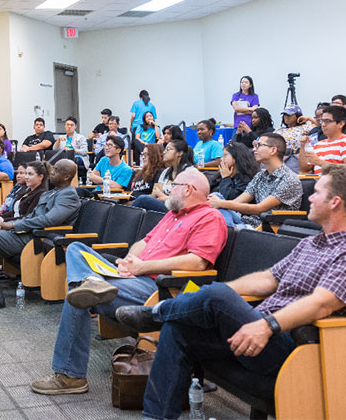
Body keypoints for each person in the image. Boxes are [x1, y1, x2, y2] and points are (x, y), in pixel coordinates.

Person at [116, 165, 346, 420]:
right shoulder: (312, 244)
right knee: (180, 328)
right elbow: (267, 279)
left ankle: (155, 314)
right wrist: (220, 300)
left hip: (290, 344)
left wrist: (266, 326)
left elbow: (320, 304)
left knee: (216, 296)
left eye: (317, 192)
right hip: (258, 328)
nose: (309, 197)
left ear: (335, 202)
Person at [29, 168, 228, 395]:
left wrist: (143, 267)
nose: (169, 190)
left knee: (79, 296)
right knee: (76, 249)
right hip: (134, 276)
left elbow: (197, 263)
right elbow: (144, 242)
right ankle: (93, 282)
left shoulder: (210, 218)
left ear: (189, 189)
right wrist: (127, 261)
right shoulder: (172, 215)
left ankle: (70, 376)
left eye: (174, 186)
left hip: (161, 288)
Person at [0, 160, 82, 311]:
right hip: (28, 233)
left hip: (39, 238)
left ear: (66, 176)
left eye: (56, 171)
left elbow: (48, 220)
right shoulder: (52, 192)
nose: (51, 172)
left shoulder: (69, 196)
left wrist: (13, 225)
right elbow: (31, 216)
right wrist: (5, 223)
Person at [209, 133, 302, 228]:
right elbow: (237, 202)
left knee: (219, 223)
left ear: (273, 150)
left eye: (259, 145)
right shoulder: (260, 176)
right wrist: (218, 203)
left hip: (268, 228)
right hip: (247, 222)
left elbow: (260, 209)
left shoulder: (289, 179)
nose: (254, 149)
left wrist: (221, 203)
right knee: (215, 199)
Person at [298, 105, 346, 173]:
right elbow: (304, 169)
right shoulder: (318, 145)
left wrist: (320, 162)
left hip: (342, 183)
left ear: (341, 124)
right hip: (319, 182)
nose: (323, 124)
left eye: (327, 121)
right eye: (322, 121)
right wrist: (303, 145)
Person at [132, 139, 191, 213]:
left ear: (180, 153)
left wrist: (163, 197)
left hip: (180, 210)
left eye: (168, 149)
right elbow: (155, 193)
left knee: (142, 199)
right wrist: (164, 197)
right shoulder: (165, 172)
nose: (164, 152)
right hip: (166, 206)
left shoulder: (189, 173)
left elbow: (186, 200)